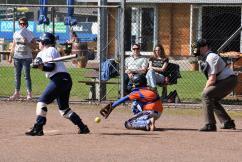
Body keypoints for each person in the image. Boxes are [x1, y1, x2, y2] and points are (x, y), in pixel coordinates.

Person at [25, 32, 90, 136]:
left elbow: (51, 67)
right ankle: (83, 127)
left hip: (59, 79)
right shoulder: (42, 53)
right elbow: (41, 64)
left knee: (41, 101)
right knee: (64, 110)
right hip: (65, 80)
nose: (39, 44)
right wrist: (37, 65)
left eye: (40, 42)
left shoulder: (50, 50)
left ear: (45, 42)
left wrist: (41, 67)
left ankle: (38, 127)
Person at [192, 39, 238, 132]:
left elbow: (212, 79)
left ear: (205, 47)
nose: (195, 49)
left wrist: (205, 90)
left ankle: (210, 124)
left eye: (198, 47)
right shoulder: (205, 57)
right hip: (226, 80)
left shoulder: (211, 57)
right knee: (212, 99)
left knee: (206, 95)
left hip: (228, 80)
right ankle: (227, 122)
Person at [8, 17, 35, 100]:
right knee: (17, 75)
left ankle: (29, 94)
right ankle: (17, 93)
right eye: (21, 24)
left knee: (26, 76)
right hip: (17, 57)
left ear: (27, 25)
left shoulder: (30, 33)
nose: (22, 25)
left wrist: (27, 42)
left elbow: (34, 47)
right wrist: (10, 56)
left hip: (27, 57)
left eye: (24, 24)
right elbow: (13, 46)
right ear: (19, 25)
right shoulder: (16, 33)